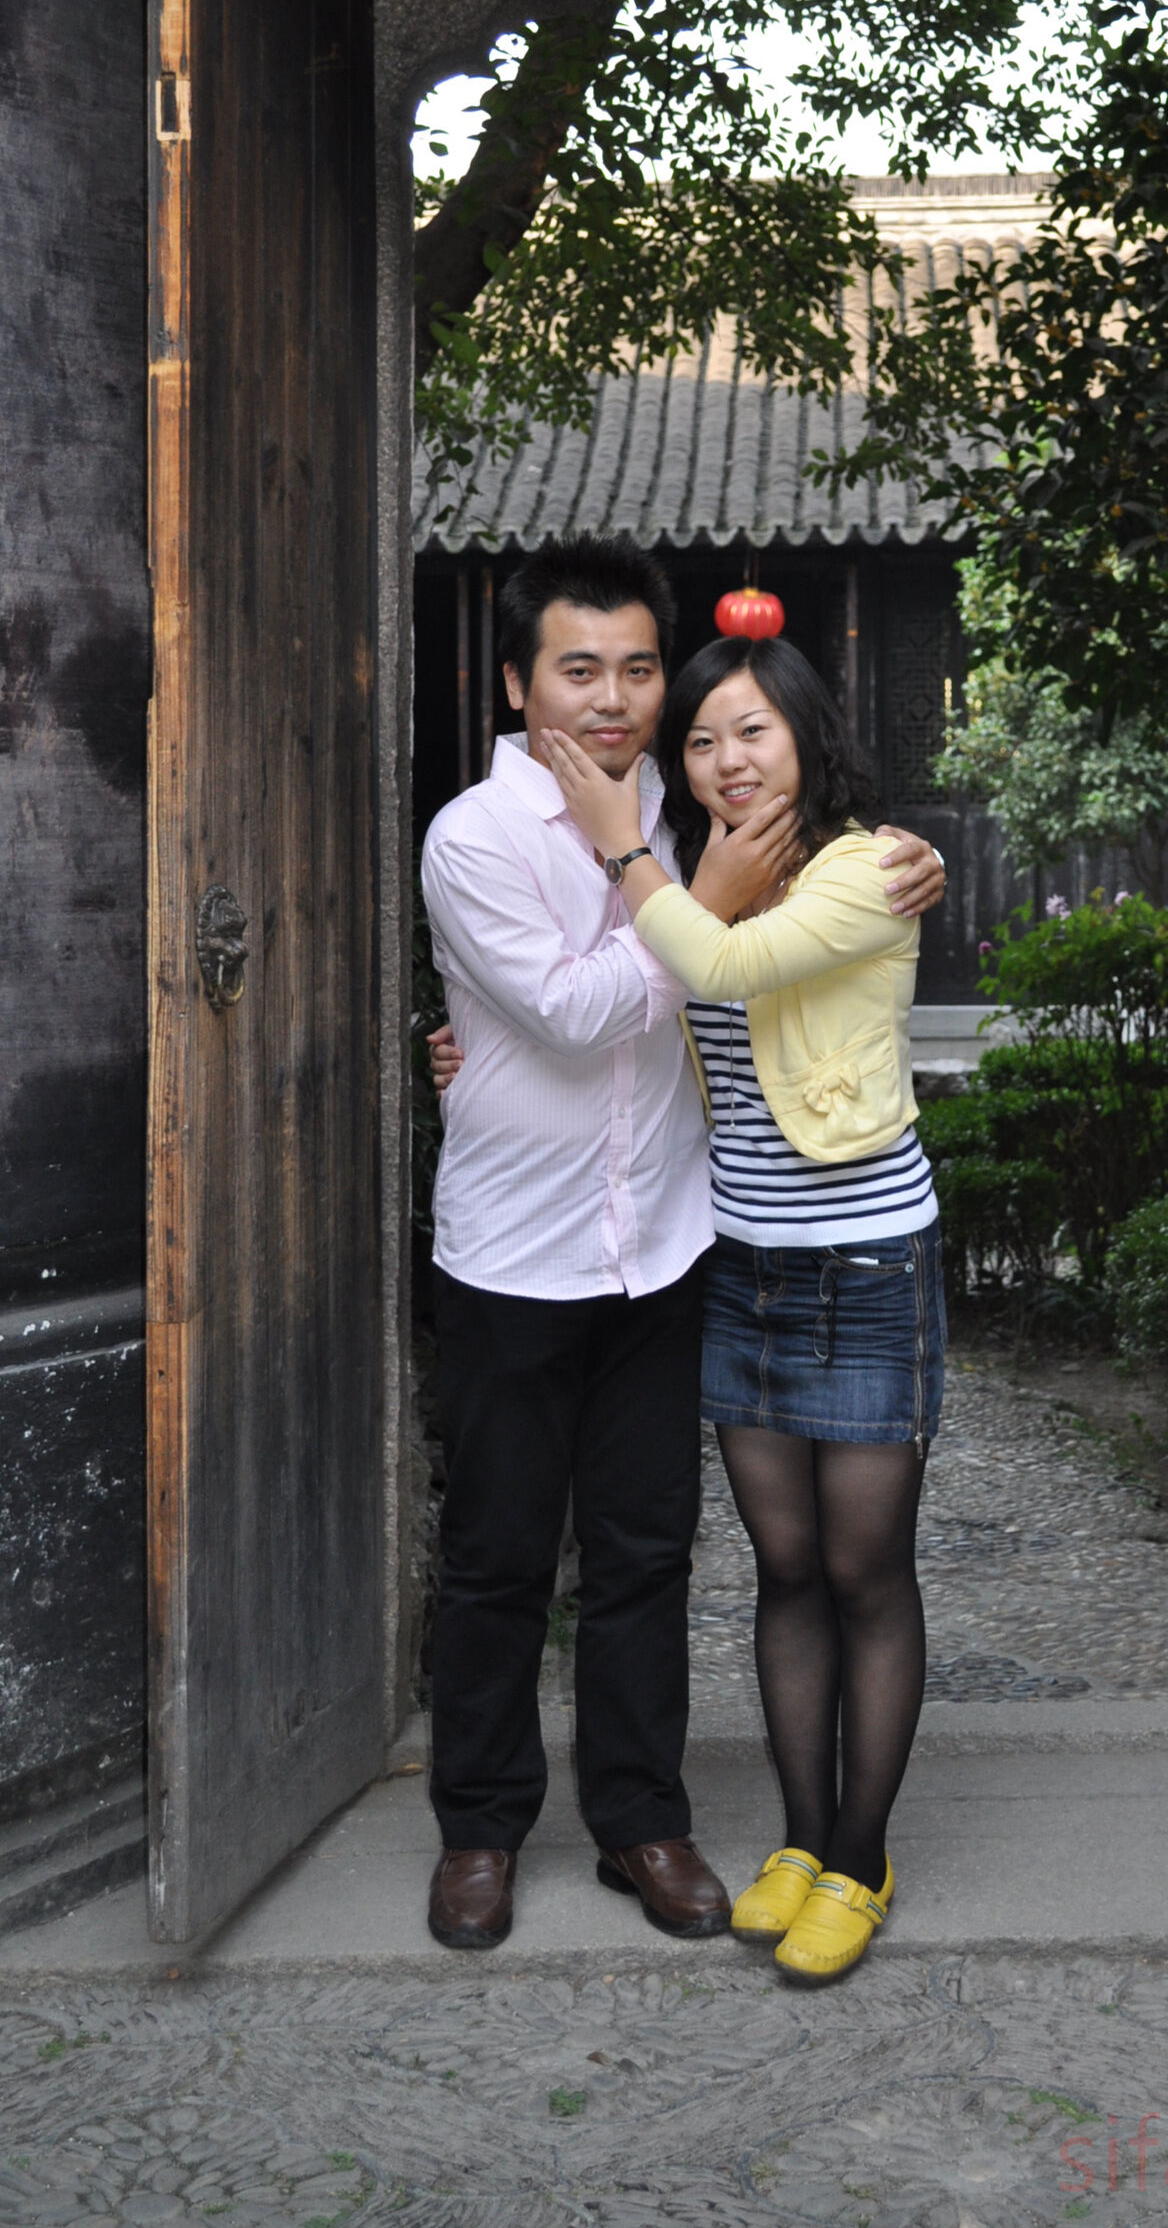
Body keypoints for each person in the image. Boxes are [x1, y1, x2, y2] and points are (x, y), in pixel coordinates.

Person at [417, 533, 943, 1954]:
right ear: (519, 683)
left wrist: (905, 854)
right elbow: (579, 1014)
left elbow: (817, 886)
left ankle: (641, 1820)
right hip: (516, 1248)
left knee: (648, 1552)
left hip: (666, 1243)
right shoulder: (476, 838)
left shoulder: (698, 799)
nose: (615, 699)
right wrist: (683, 894)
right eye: (579, 669)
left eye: (639, 670)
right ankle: (480, 1830)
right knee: (498, 1554)